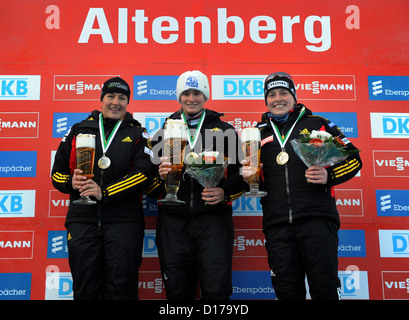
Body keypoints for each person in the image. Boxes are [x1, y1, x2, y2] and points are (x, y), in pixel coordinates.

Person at [242, 72, 362, 300]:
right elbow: (245, 178)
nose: (278, 98)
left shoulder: (318, 124)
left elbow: (354, 160)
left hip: (316, 220)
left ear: (294, 97)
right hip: (277, 225)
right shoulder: (256, 134)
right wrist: (245, 176)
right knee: (286, 293)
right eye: (272, 94)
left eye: (284, 93)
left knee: (324, 290)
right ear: (266, 100)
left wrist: (330, 176)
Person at [145, 70, 247, 300]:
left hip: (213, 221)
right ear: (179, 97)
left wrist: (225, 192)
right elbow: (148, 188)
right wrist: (160, 180)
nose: (191, 98)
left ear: (206, 96)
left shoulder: (224, 130)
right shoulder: (162, 133)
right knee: (177, 291)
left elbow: (245, 175)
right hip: (172, 221)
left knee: (217, 289)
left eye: (197, 93)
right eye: (186, 93)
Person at [51, 77, 154, 300]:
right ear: (102, 99)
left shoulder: (138, 133)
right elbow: (57, 174)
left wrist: (105, 192)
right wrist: (71, 183)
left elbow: (144, 175)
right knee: (85, 288)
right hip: (83, 221)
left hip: (124, 222)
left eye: (122, 98)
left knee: (122, 289)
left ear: (128, 102)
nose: (116, 102)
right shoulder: (79, 130)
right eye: (111, 96)